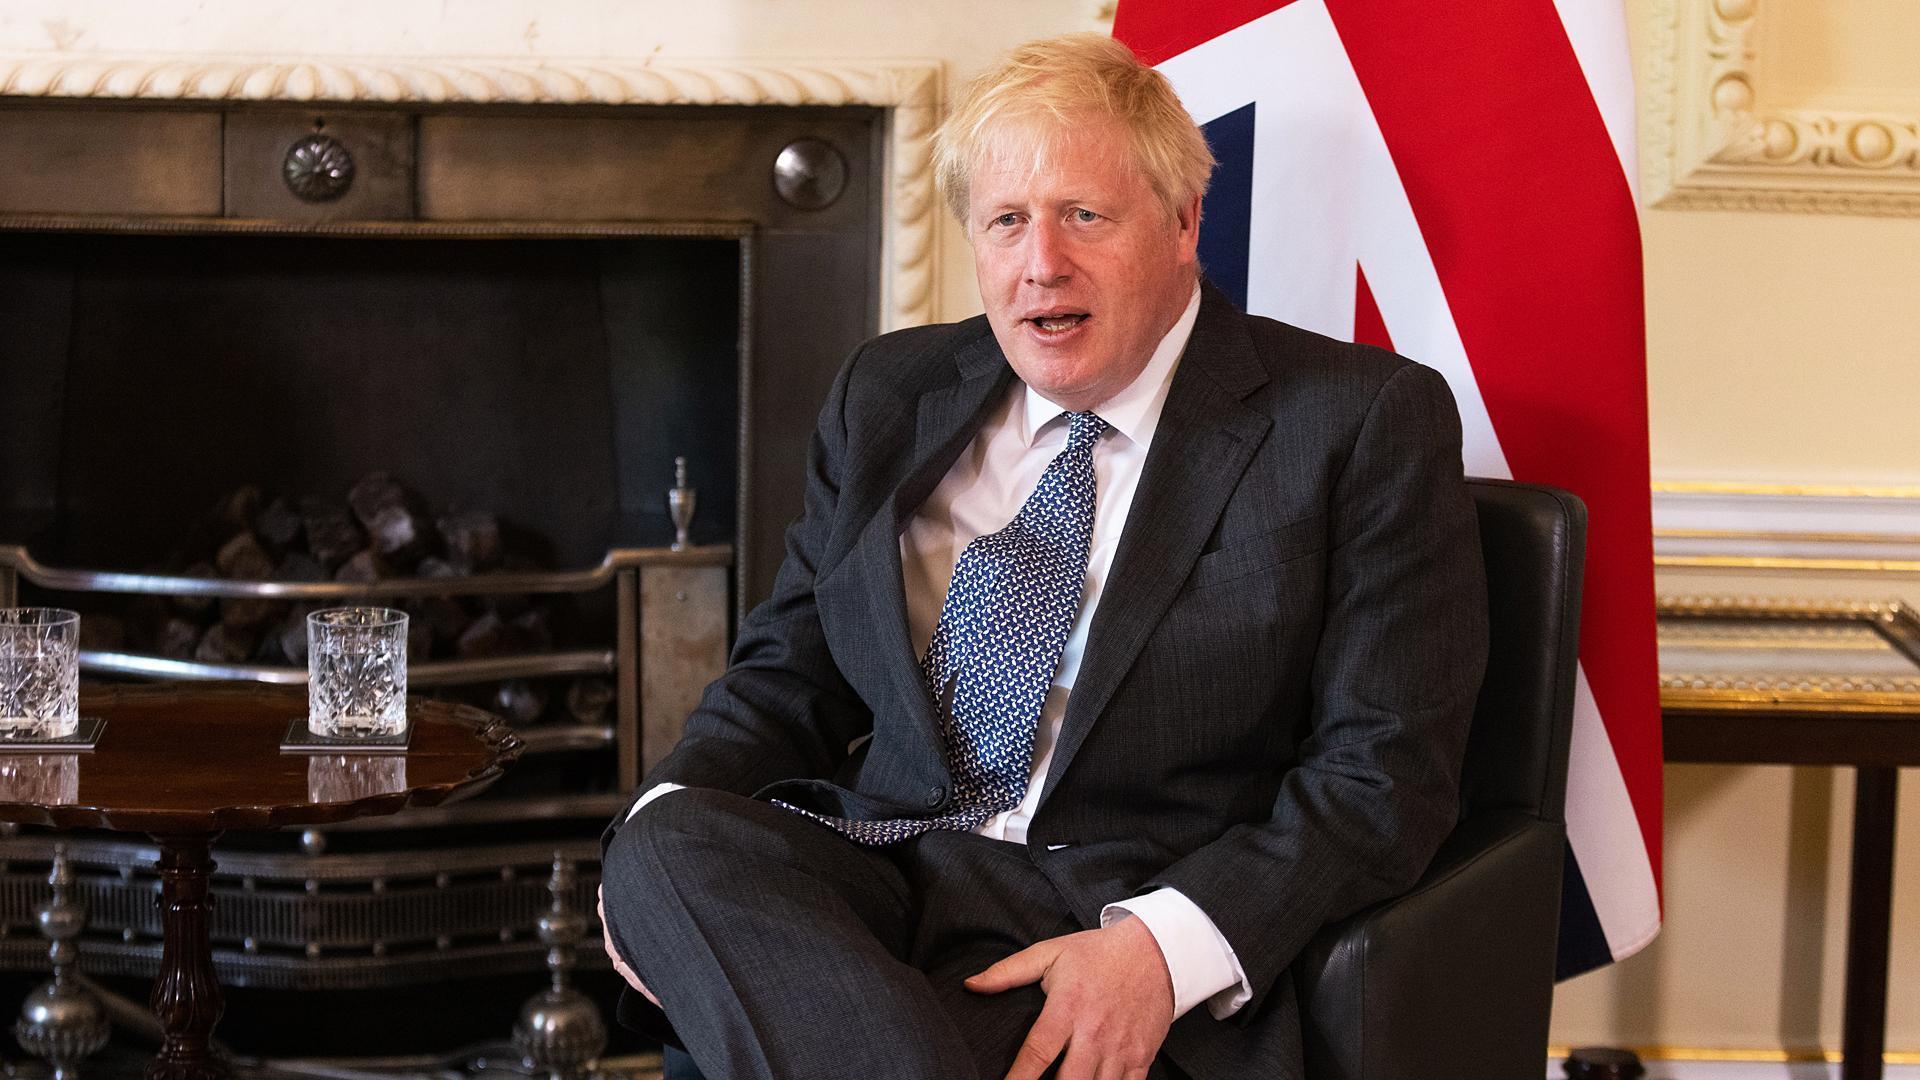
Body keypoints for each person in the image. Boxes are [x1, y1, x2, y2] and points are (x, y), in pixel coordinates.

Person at [598, 31, 1486, 1080]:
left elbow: (1382, 775)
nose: (1040, 265)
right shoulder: (887, 394)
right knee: (663, 841)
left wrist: (1158, 954)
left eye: (1085, 217)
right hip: (878, 878)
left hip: (1103, 916)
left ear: (1183, 223)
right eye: (1007, 221)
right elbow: (789, 676)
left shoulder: (1356, 421)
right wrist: (654, 852)